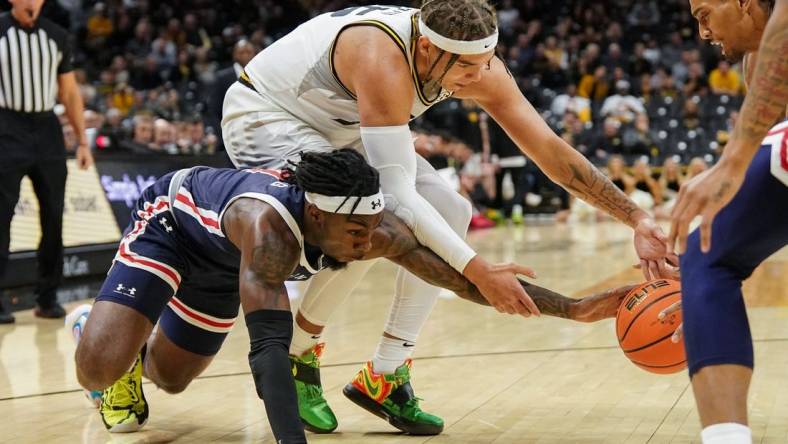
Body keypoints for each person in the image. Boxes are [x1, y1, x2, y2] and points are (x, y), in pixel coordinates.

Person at [221, 0, 672, 434]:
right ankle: (299, 352)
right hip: (265, 116)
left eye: (484, 63)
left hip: (340, 128)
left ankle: (386, 373)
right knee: (368, 214)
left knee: (452, 209)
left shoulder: (476, 64)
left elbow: (549, 152)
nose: (477, 79)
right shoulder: (381, 55)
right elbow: (395, 193)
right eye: (464, 69)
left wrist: (636, 217)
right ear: (426, 49)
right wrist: (478, 267)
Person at [69, 149, 633, 440]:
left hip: (224, 263)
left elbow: (460, 280)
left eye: (372, 231)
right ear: (315, 215)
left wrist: (576, 309)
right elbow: (268, 353)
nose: (367, 246)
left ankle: (134, 352)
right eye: (354, 236)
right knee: (96, 368)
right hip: (171, 227)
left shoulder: (372, 227)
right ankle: (97, 331)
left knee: (170, 380)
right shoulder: (269, 234)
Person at [665, 0, 787, 443]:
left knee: (706, 249)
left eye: (704, 15)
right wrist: (704, 308)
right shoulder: (758, 64)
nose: (702, 32)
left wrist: (733, 160)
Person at [0, 0, 94, 323]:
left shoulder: (57, 36)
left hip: (47, 129)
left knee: (54, 216)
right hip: (6, 127)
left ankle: (47, 296)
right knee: (1, 217)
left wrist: (83, 141)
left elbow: (68, 93)